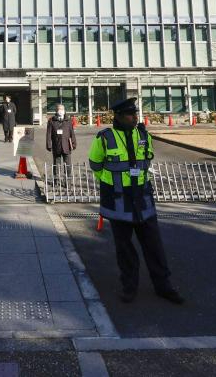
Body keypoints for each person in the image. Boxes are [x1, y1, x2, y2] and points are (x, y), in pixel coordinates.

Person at [88, 97, 185, 305]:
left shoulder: (143, 134)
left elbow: (146, 160)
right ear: (119, 117)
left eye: (135, 114)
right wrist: (112, 184)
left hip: (142, 197)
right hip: (119, 199)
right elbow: (95, 165)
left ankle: (164, 286)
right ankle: (129, 286)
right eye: (130, 115)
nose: (135, 118)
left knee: (154, 245)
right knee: (124, 249)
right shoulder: (104, 138)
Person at [46, 104, 76, 173]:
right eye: (59, 109)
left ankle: (68, 178)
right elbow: (48, 134)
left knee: (68, 164)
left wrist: (74, 143)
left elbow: (72, 133)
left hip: (66, 145)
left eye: (62, 109)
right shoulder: (51, 121)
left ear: (64, 110)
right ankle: (56, 178)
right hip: (56, 145)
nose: (61, 111)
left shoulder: (68, 121)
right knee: (56, 164)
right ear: (56, 111)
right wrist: (48, 145)